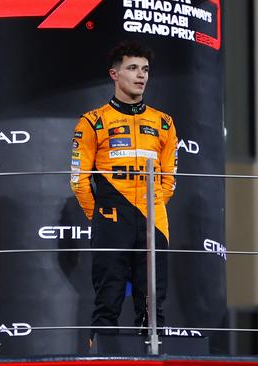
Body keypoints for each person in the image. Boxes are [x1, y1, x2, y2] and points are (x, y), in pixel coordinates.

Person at [70, 41, 178, 344]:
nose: (141, 75)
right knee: (108, 302)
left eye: (145, 69)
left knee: (153, 306)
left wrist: (150, 206)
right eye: (132, 68)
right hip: (111, 219)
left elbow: (169, 180)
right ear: (114, 74)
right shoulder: (92, 121)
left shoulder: (164, 123)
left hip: (153, 221)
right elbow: (78, 181)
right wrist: (103, 217)